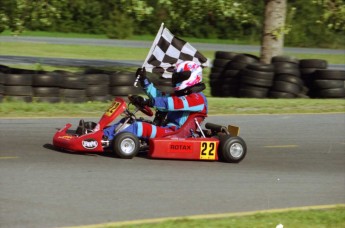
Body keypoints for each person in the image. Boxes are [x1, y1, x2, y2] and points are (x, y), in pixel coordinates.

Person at [102, 60, 208, 140]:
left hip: (175, 133)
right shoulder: (181, 94)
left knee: (138, 127)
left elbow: (172, 103)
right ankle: (99, 133)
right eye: (177, 77)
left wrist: (148, 101)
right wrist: (144, 81)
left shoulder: (198, 98)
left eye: (180, 77)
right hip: (166, 128)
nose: (177, 80)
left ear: (193, 76)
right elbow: (159, 97)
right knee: (130, 121)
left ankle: (104, 139)